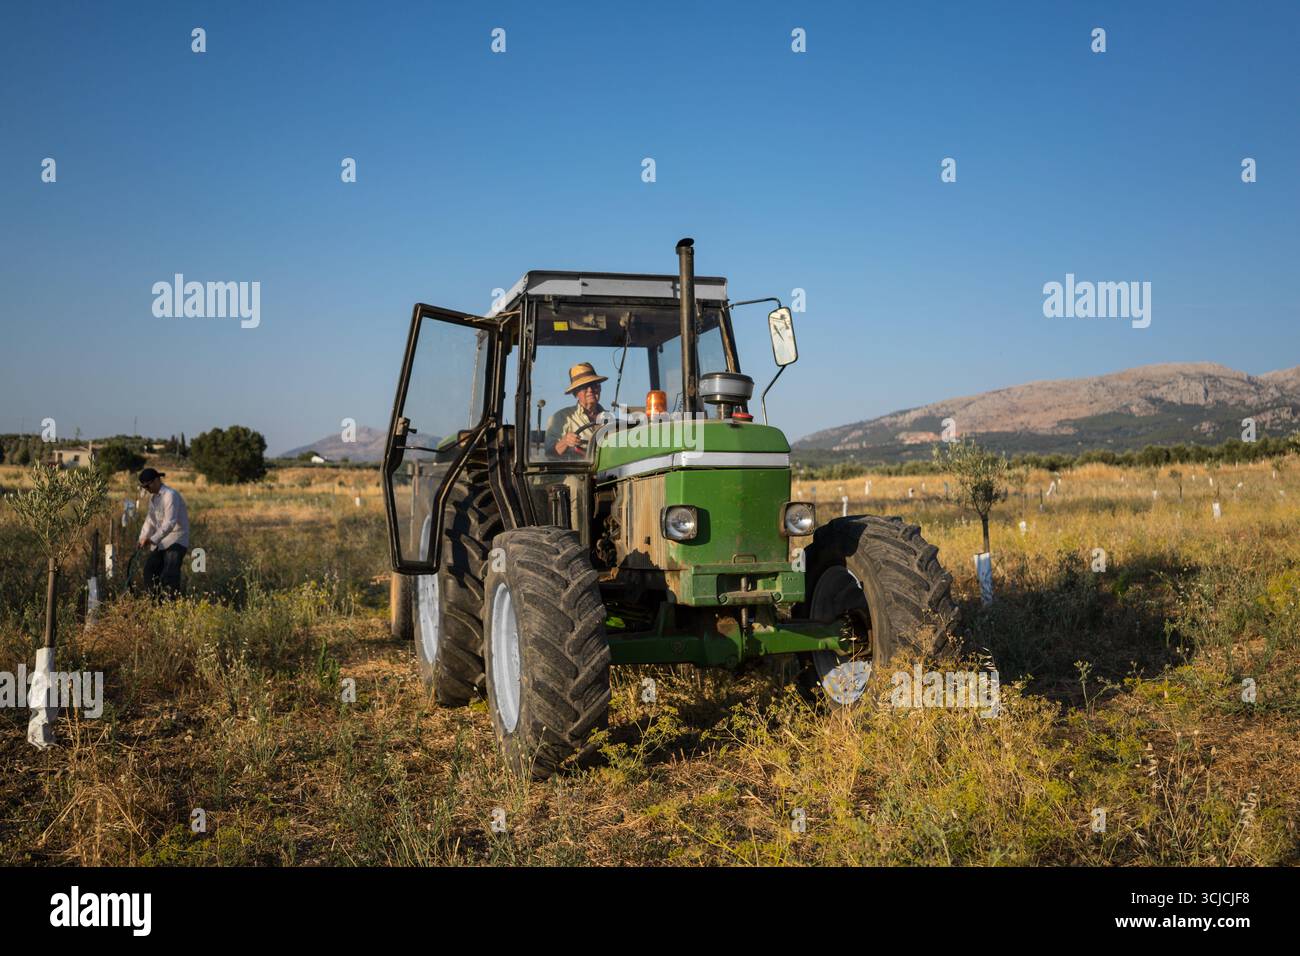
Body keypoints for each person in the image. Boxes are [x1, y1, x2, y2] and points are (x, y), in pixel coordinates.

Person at [137, 468, 189, 600]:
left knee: (169, 575)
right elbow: (150, 520)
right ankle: (155, 603)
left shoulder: (170, 495)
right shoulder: (154, 499)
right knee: (149, 571)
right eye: (144, 487)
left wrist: (152, 539)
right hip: (162, 542)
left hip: (176, 540)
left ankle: (172, 607)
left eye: (148, 485)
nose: (147, 489)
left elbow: (170, 523)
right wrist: (143, 537)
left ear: (156, 480)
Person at [545, 362, 608, 458]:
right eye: (584, 387)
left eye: (594, 384)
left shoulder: (612, 419)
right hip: (576, 472)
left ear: (599, 388)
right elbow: (549, 454)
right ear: (575, 393)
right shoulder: (561, 418)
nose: (590, 390)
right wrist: (565, 441)